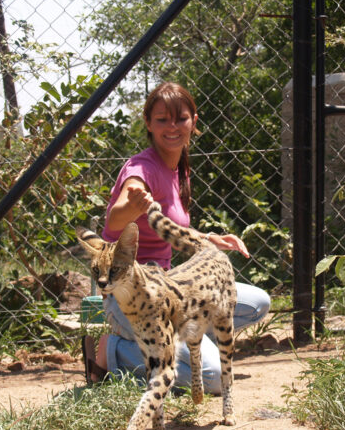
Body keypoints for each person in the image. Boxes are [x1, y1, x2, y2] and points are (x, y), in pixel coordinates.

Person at [82, 81, 270, 394]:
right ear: (148, 124)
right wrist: (133, 204)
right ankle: (110, 350)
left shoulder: (178, 167)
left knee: (256, 304)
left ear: (194, 121)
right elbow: (116, 217)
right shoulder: (140, 168)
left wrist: (209, 237)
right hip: (129, 296)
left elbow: (171, 225)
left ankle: (171, 343)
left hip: (170, 288)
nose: (172, 127)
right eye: (161, 120)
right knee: (211, 377)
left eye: (180, 118)